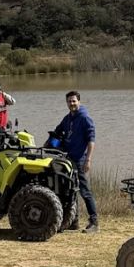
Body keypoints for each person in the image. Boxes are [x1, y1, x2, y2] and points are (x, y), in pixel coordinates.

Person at [52, 90, 98, 233]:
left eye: (74, 101)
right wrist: (51, 142)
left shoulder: (85, 118)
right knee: (71, 190)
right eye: (69, 101)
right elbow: (57, 131)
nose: (71, 104)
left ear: (79, 101)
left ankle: (94, 222)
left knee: (85, 191)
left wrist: (88, 160)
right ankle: (74, 221)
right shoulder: (68, 118)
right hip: (68, 159)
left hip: (80, 159)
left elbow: (91, 141)